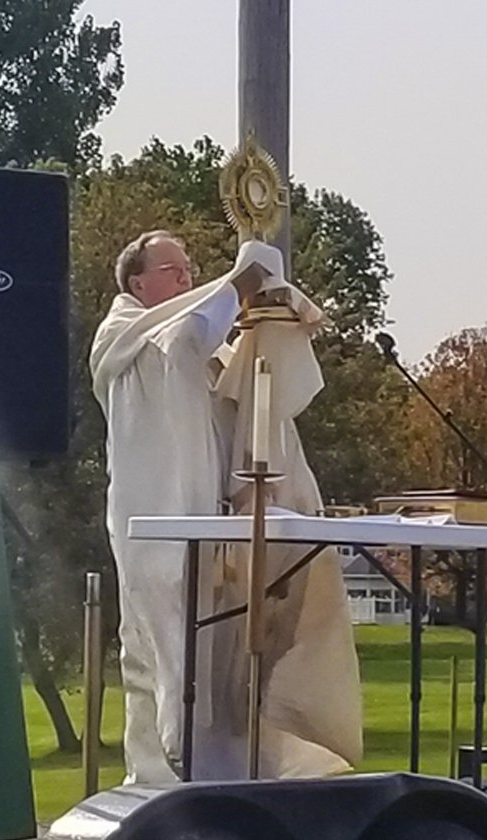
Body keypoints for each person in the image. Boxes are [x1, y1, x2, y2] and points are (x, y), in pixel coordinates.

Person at [90, 231, 361, 784]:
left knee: (230, 655)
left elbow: (243, 388)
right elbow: (185, 336)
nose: (187, 278)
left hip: (217, 522)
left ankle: (231, 770)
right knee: (165, 654)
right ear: (137, 282)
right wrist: (237, 282)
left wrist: (268, 330)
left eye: (190, 268)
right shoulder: (125, 334)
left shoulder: (200, 342)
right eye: (173, 269)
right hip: (157, 526)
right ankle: (165, 777)